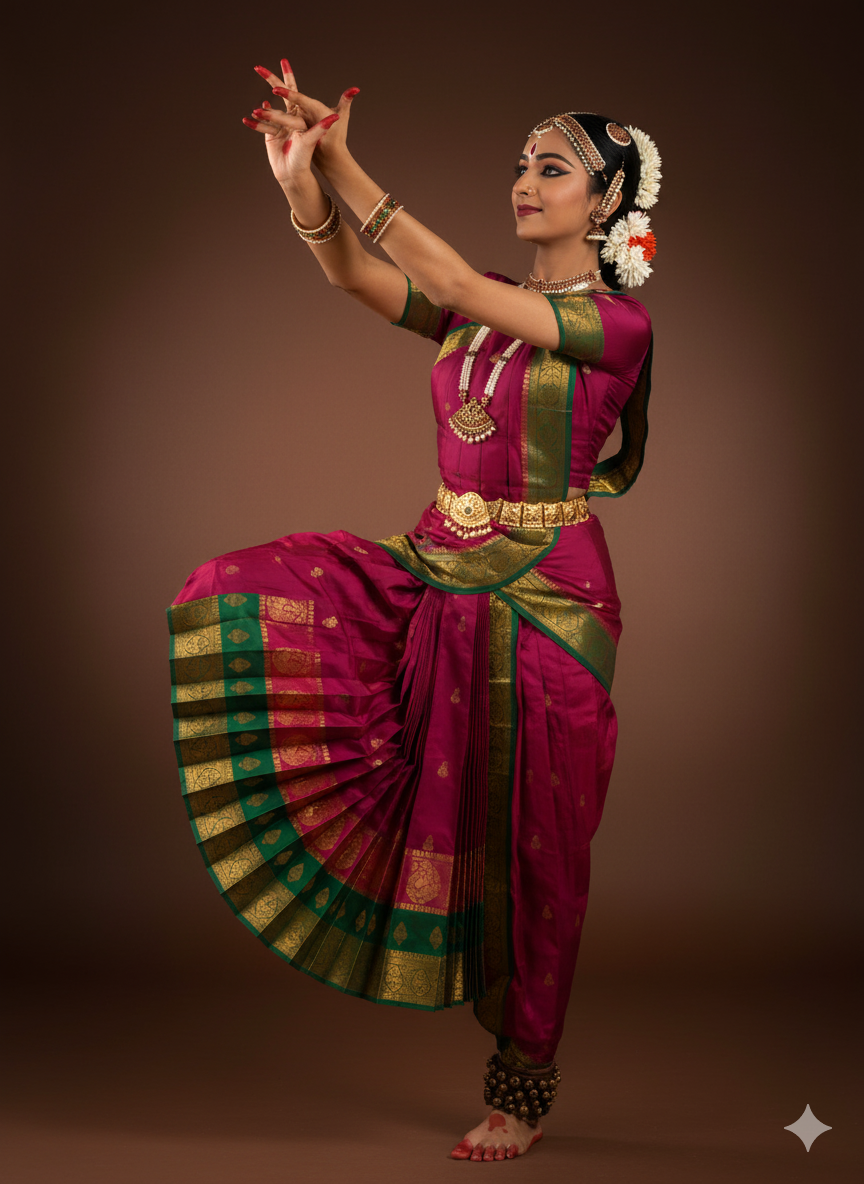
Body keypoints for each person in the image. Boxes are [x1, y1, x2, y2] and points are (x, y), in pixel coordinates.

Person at [167, 59, 661, 1162]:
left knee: (539, 845)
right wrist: (304, 182)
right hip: (436, 562)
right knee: (280, 603)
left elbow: (466, 287)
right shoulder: (481, 309)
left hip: (550, 601)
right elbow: (358, 274)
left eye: (554, 169)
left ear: (610, 202)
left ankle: (519, 1087)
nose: (526, 182)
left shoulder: (612, 326)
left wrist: (354, 163)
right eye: (522, 164)